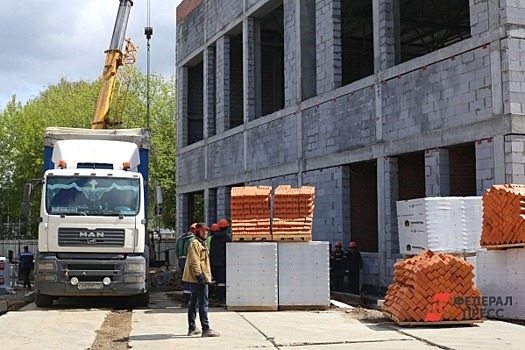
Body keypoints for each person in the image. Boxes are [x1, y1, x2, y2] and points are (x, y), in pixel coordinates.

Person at [182, 223, 220, 337]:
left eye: (206, 231)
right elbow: (195, 261)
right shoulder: (195, 244)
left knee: (193, 302)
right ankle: (206, 328)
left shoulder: (200, 243)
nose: (206, 233)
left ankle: (192, 328)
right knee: (203, 303)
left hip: (197, 278)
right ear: (197, 232)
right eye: (203, 231)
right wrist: (200, 277)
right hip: (198, 279)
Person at [208, 219, 231, 304]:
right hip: (222, 263)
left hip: (213, 262)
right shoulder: (226, 238)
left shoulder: (213, 238)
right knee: (222, 281)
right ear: (227, 227)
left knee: (214, 280)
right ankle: (220, 297)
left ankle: (213, 295)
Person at [176, 223, 197, 306]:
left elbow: (176, 251)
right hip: (189, 260)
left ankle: (185, 299)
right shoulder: (193, 240)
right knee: (192, 279)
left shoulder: (180, 239)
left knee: (185, 279)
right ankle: (190, 299)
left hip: (181, 260)